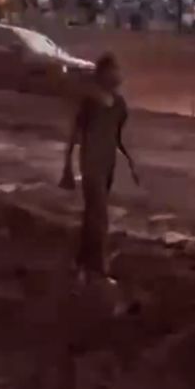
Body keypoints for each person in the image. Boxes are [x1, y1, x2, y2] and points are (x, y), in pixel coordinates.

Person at [59, 53, 139, 281]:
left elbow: (118, 136)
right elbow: (76, 133)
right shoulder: (90, 102)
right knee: (100, 214)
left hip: (107, 164)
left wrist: (131, 164)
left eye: (118, 71)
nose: (118, 75)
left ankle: (81, 259)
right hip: (90, 164)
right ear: (102, 74)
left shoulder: (119, 105)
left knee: (92, 214)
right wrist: (67, 166)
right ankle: (97, 265)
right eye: (113, 70)